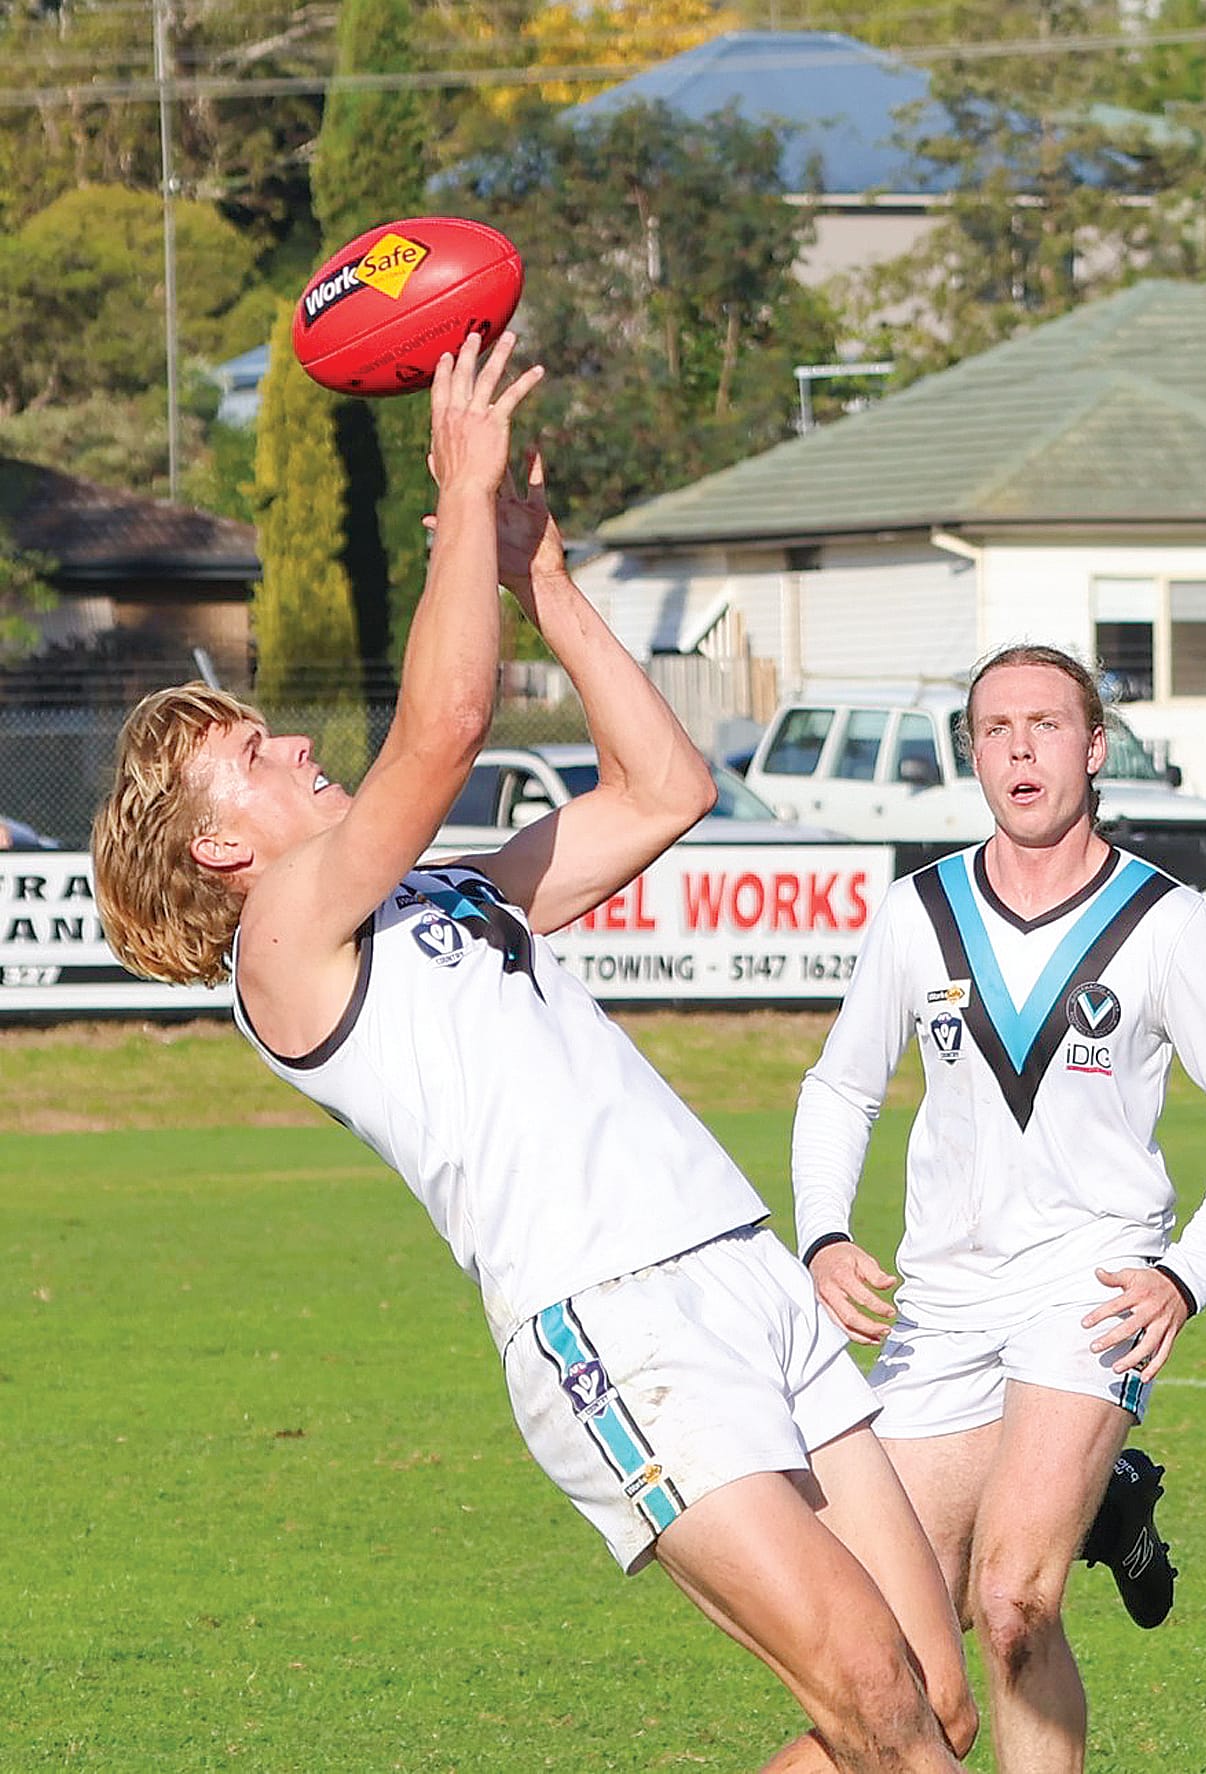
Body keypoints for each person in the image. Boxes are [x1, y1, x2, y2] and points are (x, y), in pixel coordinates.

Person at [90, 332, 978, 1774]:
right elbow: (442, 724)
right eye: (253, 753)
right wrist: (462, 476)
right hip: (614, 1316)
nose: (294, 741)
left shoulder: (442, 892)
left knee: (928, 1706)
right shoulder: (286, 946)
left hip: (735, 1264)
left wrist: (538, 574)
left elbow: (665, 787)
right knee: (877, 1704)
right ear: (220, 845)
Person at [792, 642, 1206, 1774]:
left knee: (1014, 1607)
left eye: (1045, 723)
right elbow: (838, 1086)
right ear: (970, 751)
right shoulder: (916, 913)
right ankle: (1101, 1490)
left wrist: (1188, 1273)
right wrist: (824, 1233)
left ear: (1094, 745)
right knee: (897, 1666)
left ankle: (1075, 1476)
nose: (1019, 747)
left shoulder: (1164, 922)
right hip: (941, 1302)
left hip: (1089, 1291)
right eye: (993, 728)